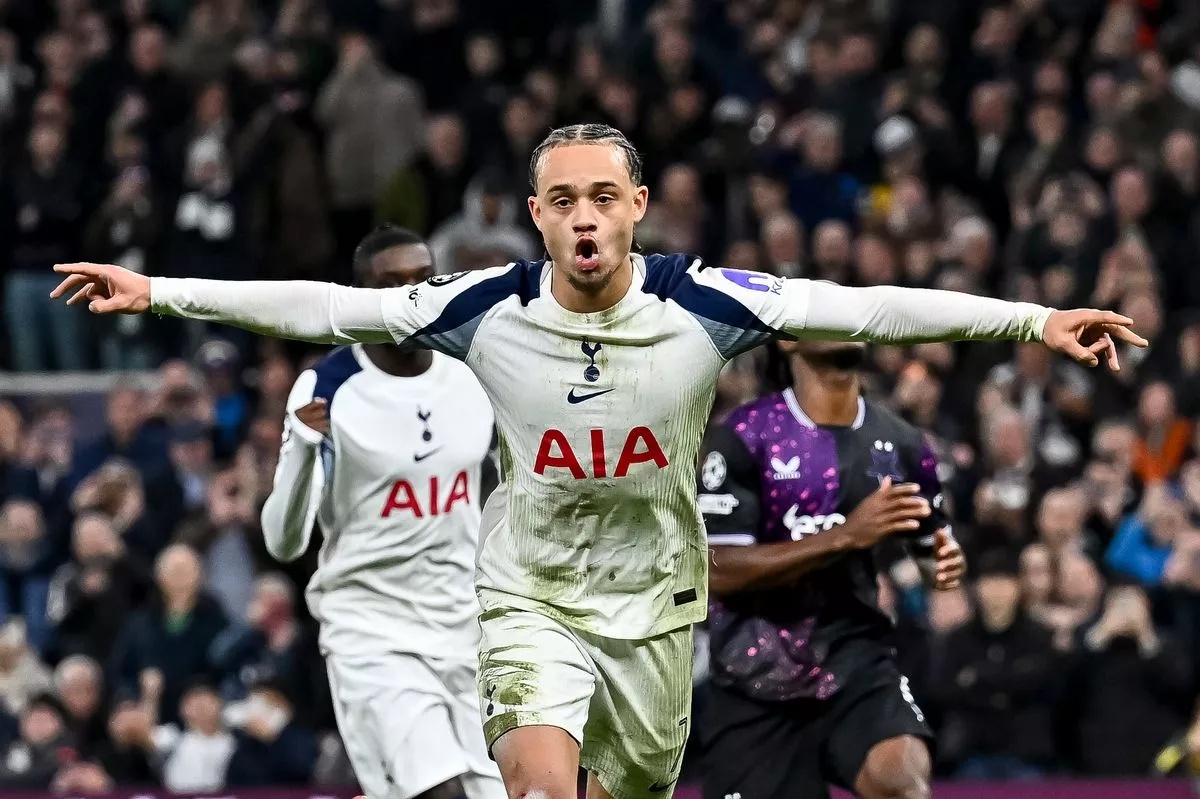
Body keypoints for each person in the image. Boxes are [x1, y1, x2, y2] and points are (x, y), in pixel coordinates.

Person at [51, 123, 1145, 799]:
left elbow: (867, 308)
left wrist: (1035, 320)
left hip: (655, 609)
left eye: (603, 197)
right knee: (534, 789)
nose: (584, 218)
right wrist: (160, 292)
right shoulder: (481, 306)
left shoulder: (702, 303)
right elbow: (331, 307)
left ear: (637, 209)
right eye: (563, 200)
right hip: (528, 597)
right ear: (537, 216)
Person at [257, 226, 504, 799]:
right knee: (438, 791)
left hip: (467, 626)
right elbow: (282, 543)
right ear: (360, 297)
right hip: (373, 629)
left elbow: (500, 489)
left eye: (422, 280)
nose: (410, 297)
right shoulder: (328, 387)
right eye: (391, 285)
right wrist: (302, 451)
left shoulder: (474, 372)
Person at [695, 339, 965, 799]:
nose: (843, 315)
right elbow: (715, 570)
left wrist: (942, 564)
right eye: (828, 308)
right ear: (788, 339)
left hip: (855, 661)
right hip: (752, 680)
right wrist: (844, 535)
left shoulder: (901, 442)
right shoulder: (744, 435)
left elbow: (933, 549)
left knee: (903, 783)